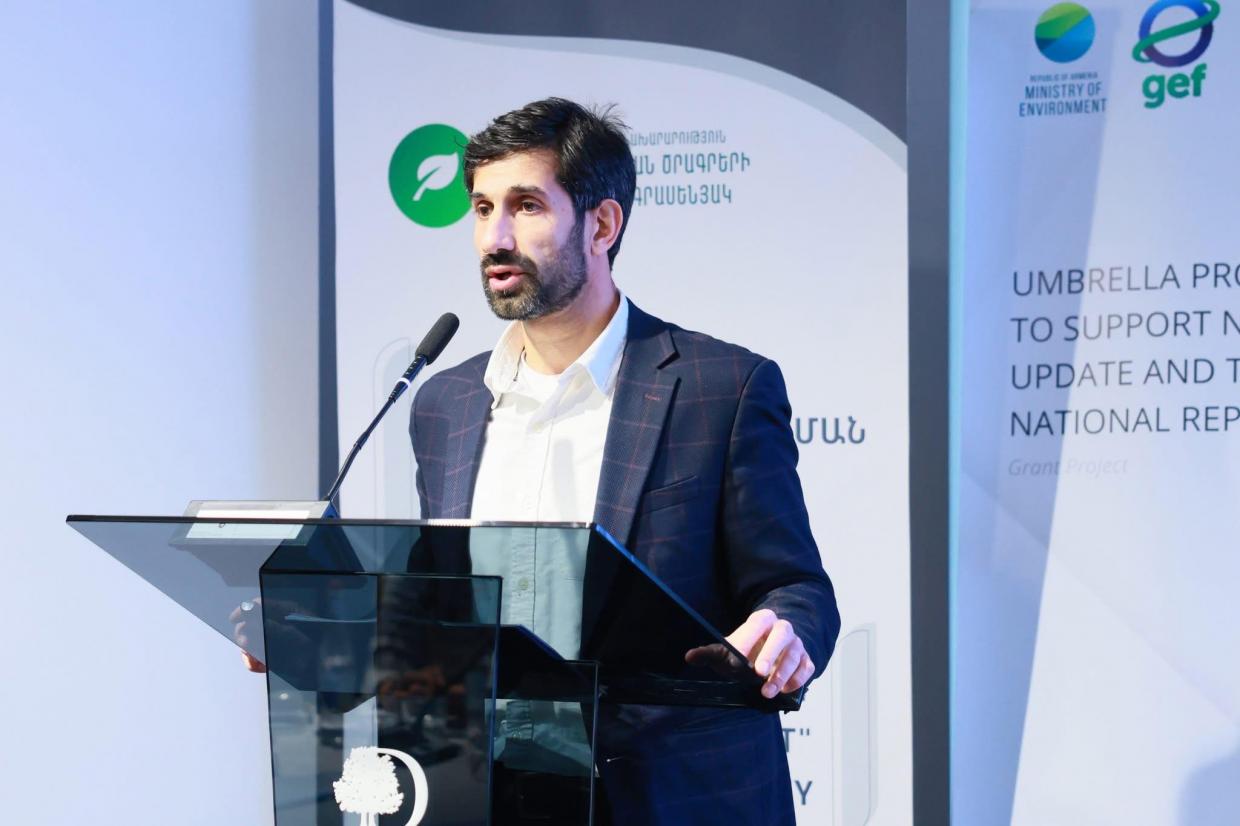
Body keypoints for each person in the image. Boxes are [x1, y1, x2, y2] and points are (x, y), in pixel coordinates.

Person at [408, 97, 840, 825]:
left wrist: (786, 631)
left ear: (602, 225)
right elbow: (440, 608)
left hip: (673, 795)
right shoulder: (444, 403)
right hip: (491, 788)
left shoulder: (722, 389)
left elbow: (796, 586)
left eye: (526, 206)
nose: (495, 237)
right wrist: (314, 628)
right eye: (483, 209)